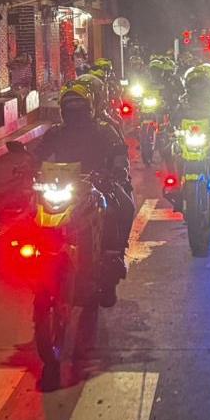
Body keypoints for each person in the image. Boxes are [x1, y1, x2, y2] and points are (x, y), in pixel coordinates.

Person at [31, 81, 134, 304]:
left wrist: (116, 170)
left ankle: (113, 258)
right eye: (71, 107)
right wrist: (26, 167)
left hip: (96, 185)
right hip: (62, 187)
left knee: (124, 207)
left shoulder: (104, 130)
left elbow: (118, 152)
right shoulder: (56, 133)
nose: (76, 112)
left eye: (80, 107)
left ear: (90, 108)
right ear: (63, 110)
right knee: (28, 213)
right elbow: (38, 154)